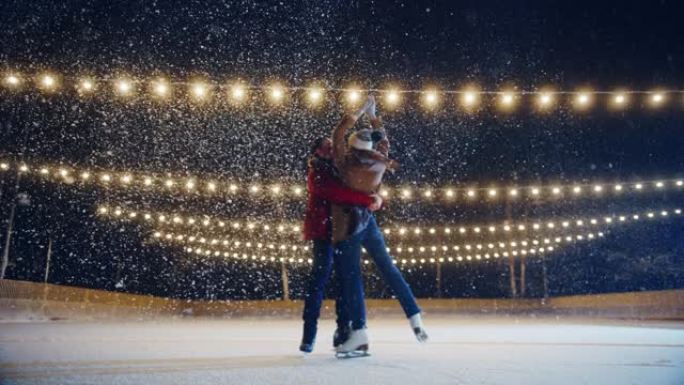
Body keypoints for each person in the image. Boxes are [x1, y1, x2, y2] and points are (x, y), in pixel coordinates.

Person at [332, 96, 428, 355]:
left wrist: (359, 110)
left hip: (349, 224)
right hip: (369, 221)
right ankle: (414, 315)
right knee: (388, 268)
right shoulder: (379, 162)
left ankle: (360, 333)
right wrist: (374, 115)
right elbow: (383, 140)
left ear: (353, 147)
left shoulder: (346, 163)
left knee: (352, 279)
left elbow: (338, 133)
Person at [300, 137, 383, 353]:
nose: (330, 148)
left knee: (345, 282)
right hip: (323, 232)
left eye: (331, 145)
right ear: (317, 151)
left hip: (343, 231)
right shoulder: (316, 173)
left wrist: (376, 198)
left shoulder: (341, 168)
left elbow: (359, 185)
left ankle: (343, 331)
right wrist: (366, 200)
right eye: (324, 146)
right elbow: (338, 193)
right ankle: (309, 335)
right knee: (319, 280)